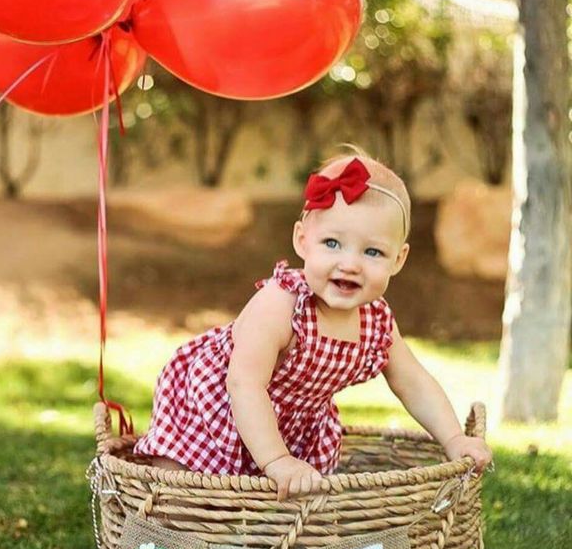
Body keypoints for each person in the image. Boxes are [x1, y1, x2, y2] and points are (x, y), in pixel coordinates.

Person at [133, 152, 492, 500]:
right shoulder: (281, 303)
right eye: (332, 243)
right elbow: (244, 383)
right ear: (303, 240)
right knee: (184, 492)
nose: (349, 264)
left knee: (282, 508)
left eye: (372, 252)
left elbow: (413, 381)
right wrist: (276, 460)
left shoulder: (377, 321)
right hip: (217, 406)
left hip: (292, 424)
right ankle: (174, 528)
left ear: (398, 259)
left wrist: (454, 439)